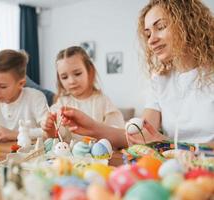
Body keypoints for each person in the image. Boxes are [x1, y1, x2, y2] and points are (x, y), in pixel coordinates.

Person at [62, 0, 214, 146]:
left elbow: (165, 144)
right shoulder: (159, 80)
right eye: (148, 34)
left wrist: (170, 145)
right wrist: (92, 127)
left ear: (187, 23)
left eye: (160, 27)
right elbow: (140, 137)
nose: (151, 40)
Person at [41, 46, 124, 142]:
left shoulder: (103, 102)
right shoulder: (61, 104)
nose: (71, 81)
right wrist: (49, 129)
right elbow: (55, 139)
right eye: (64, 77)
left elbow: (116, 134)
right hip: (68, 156)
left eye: (77, 74)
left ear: (90, 71)